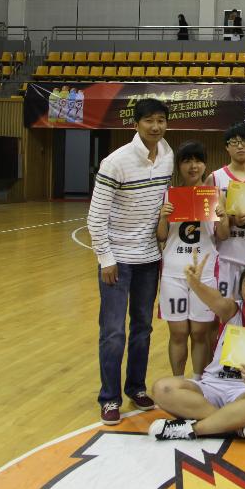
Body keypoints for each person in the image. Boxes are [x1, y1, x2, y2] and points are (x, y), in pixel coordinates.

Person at [87, 98, 173, 425]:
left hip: (149, 259)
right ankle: (109, 397)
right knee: (112, 331)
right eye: (149, 120)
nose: (155, 126)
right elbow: (96, 217)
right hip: (118, 261)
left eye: (161, 120)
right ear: (136, 124)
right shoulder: (115, 162)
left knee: (142, 328)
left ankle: (135, 387)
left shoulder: (167, 156)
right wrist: (106, 258)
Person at [148, 262, 245, 442]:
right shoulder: (232, 310)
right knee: (161, 388)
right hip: (211, 387)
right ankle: (234, 424)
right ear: (241, 290)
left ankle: (193, 429)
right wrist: (195, 283)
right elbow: (214, 298)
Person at [156, 141, 230, 378]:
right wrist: (163, 217)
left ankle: (198, 381)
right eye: (187, 161)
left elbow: (223, 236)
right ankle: (178, 381)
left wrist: (222, 218)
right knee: (178, 332)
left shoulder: (215, 195)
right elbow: (161, 236)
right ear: (179, 166)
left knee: (200, 332)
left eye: (198, 161)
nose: (193, 166)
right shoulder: (169, 195)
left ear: (205, 165)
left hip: (204, 274)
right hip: (174, 272)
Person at [209, 123, 245, 300]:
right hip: (222, 257)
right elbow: (207, 223)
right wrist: (233, 221)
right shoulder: (215, 178)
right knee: (222, 310)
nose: (240, 146)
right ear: (226, 147)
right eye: (234, 142)